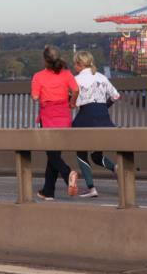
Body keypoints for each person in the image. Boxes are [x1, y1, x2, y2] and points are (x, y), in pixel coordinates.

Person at [31, 45, 79, 200]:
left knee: (52, 154)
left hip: (48, 115)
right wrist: (72, 103)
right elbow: (76, 90)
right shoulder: (67, 74)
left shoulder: (39, 76)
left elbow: (35, 97)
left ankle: (67, 173)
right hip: (64, 115)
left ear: (45, 60)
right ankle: (48, 191)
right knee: (54, 154)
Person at [71, 51, 119, 198]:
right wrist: (104, 106)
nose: (74, 67)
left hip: (86, 118)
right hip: (104, 119)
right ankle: (115, 168)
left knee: (81, 153)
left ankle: (92, 188)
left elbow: (72, 102)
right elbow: (116, 96)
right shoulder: (101, 77)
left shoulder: (76, 79)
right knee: (96, 155)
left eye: (75, 64)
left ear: (79, 64)